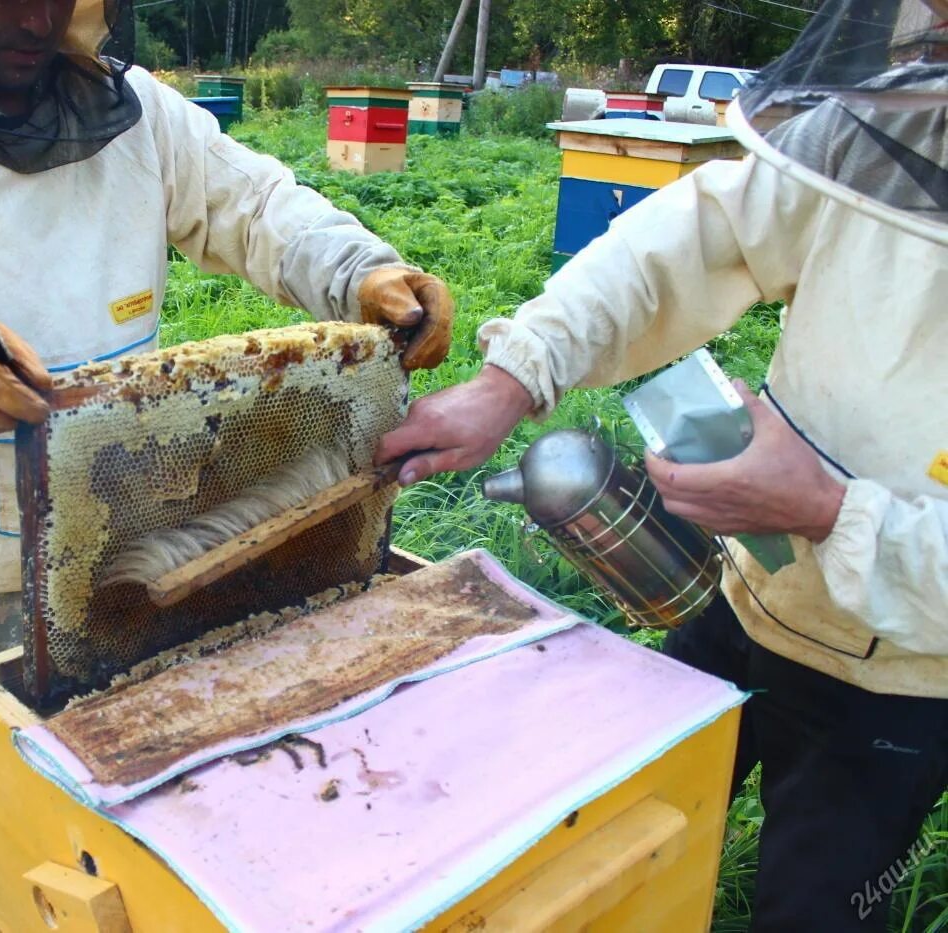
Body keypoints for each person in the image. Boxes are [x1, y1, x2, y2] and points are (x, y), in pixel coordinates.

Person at [0, 0, 455, 928]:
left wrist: (357, 268)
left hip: (138, 556)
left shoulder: (136, 114)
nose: (33, 15)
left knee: (126, 844)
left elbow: (256, 204)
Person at [377, 1, 946, 929]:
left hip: (909, 681)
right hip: (753, 598)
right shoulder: (901, 122)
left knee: (818, 911)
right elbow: (687, 242)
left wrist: (828, 512)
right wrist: (516, 374)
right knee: (616, 844)